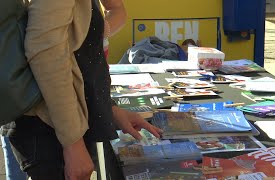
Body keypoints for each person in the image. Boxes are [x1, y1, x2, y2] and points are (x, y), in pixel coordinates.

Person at [0, 0, 162, 180]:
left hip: (65, 125)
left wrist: (109, 109)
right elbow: (47, 57)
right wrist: (72, 143)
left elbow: (81, 57)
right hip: (52, 131)